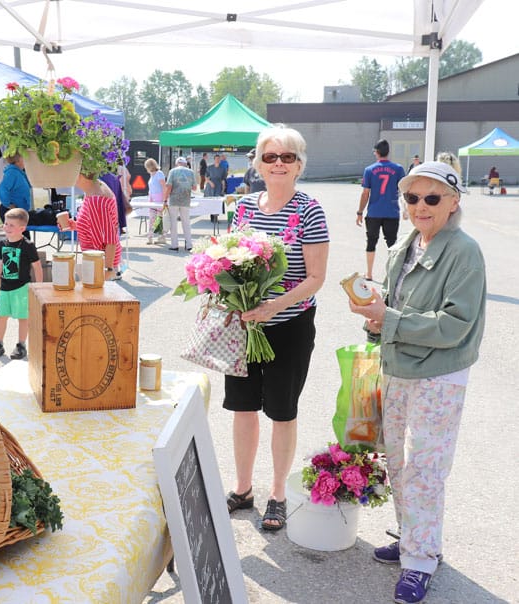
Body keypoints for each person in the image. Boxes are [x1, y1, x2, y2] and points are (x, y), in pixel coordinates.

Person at [349, 161, 485, 604]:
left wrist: (388, 319)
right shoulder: (404, 244)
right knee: (397, 463)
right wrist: (374, 320)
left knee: (425, 469)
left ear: (453, 201)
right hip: (397, 367)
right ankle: (414, 539)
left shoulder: (464, 251)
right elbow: (392, 307)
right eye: (411, 198)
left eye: (432, 198)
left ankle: (421, 559)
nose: (420, 207)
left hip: (439, 375)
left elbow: (456, 325)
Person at [224, 125, 329, 532]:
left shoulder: (309, 209)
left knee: (282, 412)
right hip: (246, 323)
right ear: (258, 163)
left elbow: (316, 276)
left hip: (289, 325)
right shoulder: (245, 207)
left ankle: (278, 493)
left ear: (299, 165)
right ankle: (243, 488)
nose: (279, 163)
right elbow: (229, 259)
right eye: (270, 157)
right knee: (243, 407)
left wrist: (275, 305)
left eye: (287, 157)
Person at [0, 208, 43, 361]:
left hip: (21, 287)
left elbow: (37, 266)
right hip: (5, 287)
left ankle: (21, 345)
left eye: (12, 225)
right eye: (6, 224)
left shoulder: (27, 245)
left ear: (22, 228)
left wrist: (39, 287)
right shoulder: (2, 243)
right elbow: (2, 262)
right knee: (2, 316)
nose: (7, 228)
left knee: (22, 318)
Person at [356, 139, 405, 282]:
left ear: (376, 153)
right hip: (392, 212)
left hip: (374, 212)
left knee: (371, 242)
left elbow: (366, 193)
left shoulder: (369, 170)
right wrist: (406, 209)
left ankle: (369, 273)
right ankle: (392, 274)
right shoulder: (398, 169)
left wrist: (359, 212)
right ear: (388, 152)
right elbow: (404, 190)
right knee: (392, 243)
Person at [65, 175, 122, 278]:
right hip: (97, 263)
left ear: (80, 175)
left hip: (100, 266)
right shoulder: (94, 188)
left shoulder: (96, 200)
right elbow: (97, 225)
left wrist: (107, 270)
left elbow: (111, 240)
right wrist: (78, 225)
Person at [163, 156, 196, 252]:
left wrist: (165, 199)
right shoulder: (191, 172)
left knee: (173, 223)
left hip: (174, 200)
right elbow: (194, 188)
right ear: (185, 163)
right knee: (186, 222)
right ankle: (189, 245)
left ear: (176, 163)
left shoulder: (172, 172)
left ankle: (174, 245)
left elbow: (169, 186)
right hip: (186, 200)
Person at [0, 153, 32, 222]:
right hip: (12, 212)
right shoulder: (12, 173)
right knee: (21, 232)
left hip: (19, 212)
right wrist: (9, 205)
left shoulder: (19, 172)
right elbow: (2, 190)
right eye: (23, 158)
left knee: (23, 232)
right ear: (18, 160)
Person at [144, 157, 166, 245]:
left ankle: (161, 237)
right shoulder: (152, 175)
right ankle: (150, 236)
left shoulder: (159, 173)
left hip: (159, 198)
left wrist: (165, 199)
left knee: (159, 219)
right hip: (152, 199)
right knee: (152, 218)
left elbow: (164, 187)